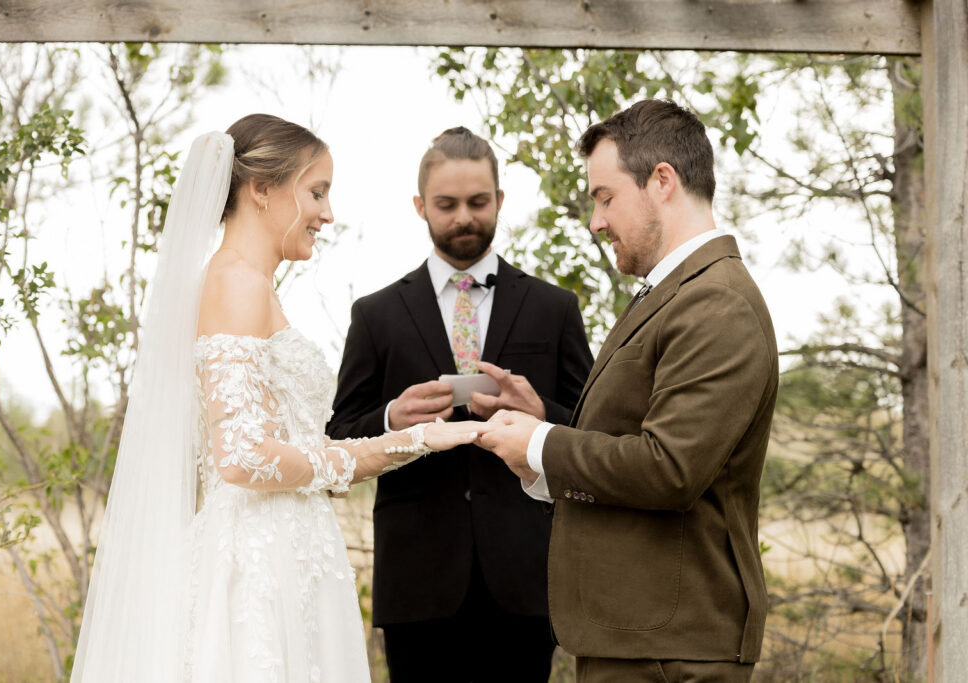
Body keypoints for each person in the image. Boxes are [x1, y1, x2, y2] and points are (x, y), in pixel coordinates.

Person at [71, 114, 483, 682]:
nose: (328, 213)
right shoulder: (236, 283)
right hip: (260, 568)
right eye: (317, 192)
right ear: (262, 190)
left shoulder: (248, 284)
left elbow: (280, 443)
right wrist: (413, 440)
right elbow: (241, 457)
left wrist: (403, 440)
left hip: (289, 553)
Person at [478, 99, 778, 682]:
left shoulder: (717, 302)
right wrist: (540, 435)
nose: (596, 221)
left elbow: (670, 467)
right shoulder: (673, 292)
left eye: (605, 197)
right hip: (639, 639)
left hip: (672, 652)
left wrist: (540, 443)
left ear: (662, 180)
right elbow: (630, 437)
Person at [327, 127, 593, 681]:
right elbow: (338, 438)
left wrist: (541, 415)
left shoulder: (554, 308)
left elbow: (595, 432)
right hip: (417, 581)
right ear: (420, 206)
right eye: (447, 205)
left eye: (478, 202)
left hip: (526, 575)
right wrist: (390, 419)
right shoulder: (375, 315)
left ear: (500, 199)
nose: (464, 217)